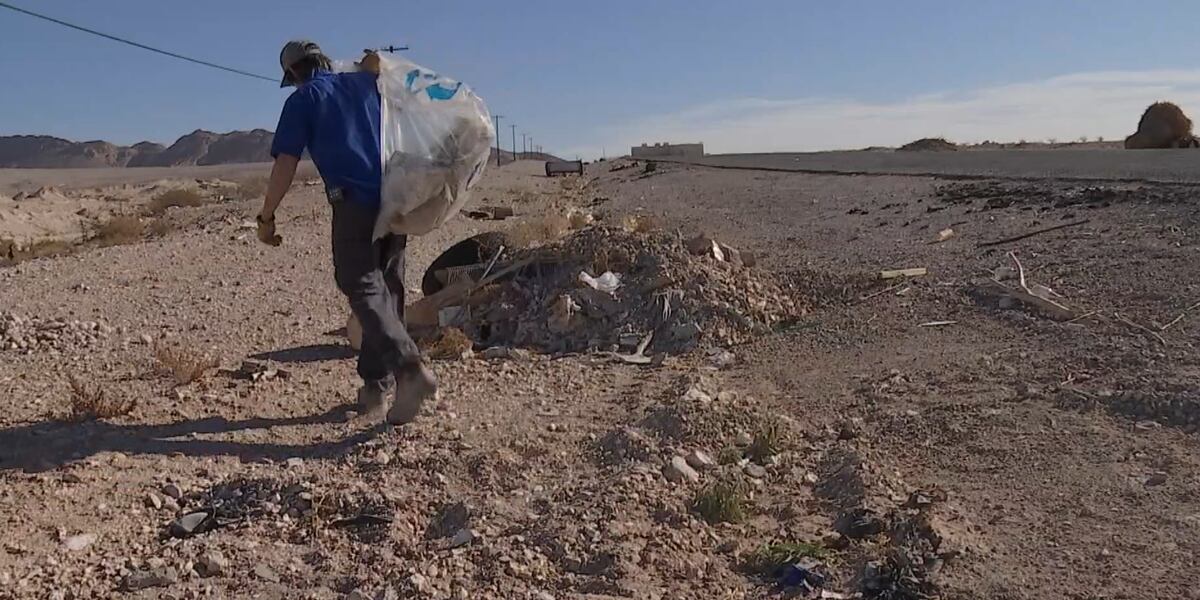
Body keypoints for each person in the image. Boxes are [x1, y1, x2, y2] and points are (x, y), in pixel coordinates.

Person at [255, 40, 435, 425]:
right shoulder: (367, 84)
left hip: (355, 202)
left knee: (359, 281)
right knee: (388, 287)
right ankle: (376, 388)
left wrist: (266, 217)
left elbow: (286, 163)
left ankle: (409, 368)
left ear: (293, 74)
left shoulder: (304, 100)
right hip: (396, 195)